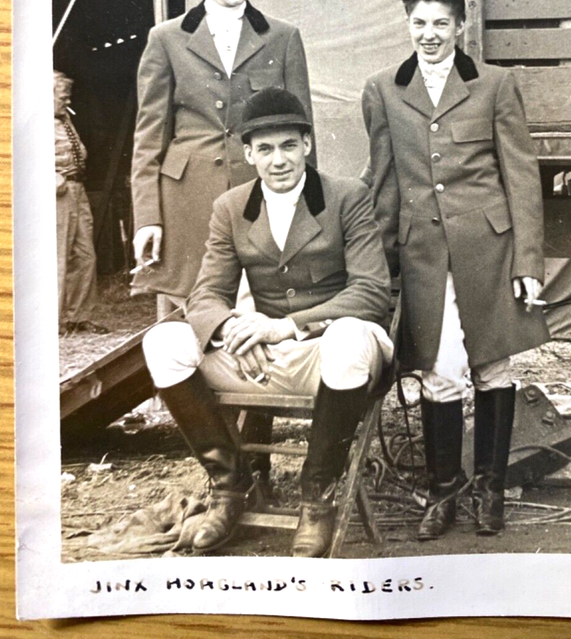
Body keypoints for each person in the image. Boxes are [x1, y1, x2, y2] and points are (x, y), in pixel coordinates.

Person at [142, 88, 393, 558]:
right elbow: (206, 295)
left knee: (352, 335)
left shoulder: (346, 197)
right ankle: (231, 489)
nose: (279, 160)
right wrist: (229, 331)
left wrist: (283, 326)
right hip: (260, 358)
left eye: (289, 146)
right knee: (164, 341)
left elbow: (371, 292)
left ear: (307, 145)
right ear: (249, 153)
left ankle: (316, 503)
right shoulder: (232, 207)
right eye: (265, 149)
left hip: (328, 353)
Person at [362, 0, 549, 540]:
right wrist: (378, 266)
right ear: (406, 25)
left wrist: (528, 265)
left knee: (493, 364)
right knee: (439, 369)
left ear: (461, 26)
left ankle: (490, 494)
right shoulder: (382, 90)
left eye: (441, 23)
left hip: (489, 250)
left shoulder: (495, 85)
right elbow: (385, 184)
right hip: (423, 254)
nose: (429, 34)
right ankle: (443, 492)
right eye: (418, 23)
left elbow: (521, 177)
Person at [131, 0, 314, 301]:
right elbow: (149, 137)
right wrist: (147, 217)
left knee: (263, 304)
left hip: (260, 193)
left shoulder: (282, 38)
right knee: (189, 308)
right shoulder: (166, 39)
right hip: (186, 200)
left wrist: (310, 211)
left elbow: (302, 133)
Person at [54, 70, 98, 334]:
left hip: (77, 189)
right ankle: (53, 321)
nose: (66, 99)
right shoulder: (32, 121)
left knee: (86, 255)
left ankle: (78, 316)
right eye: (62, 95)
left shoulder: (65, 119)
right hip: (57, 192)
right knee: (58, 256)